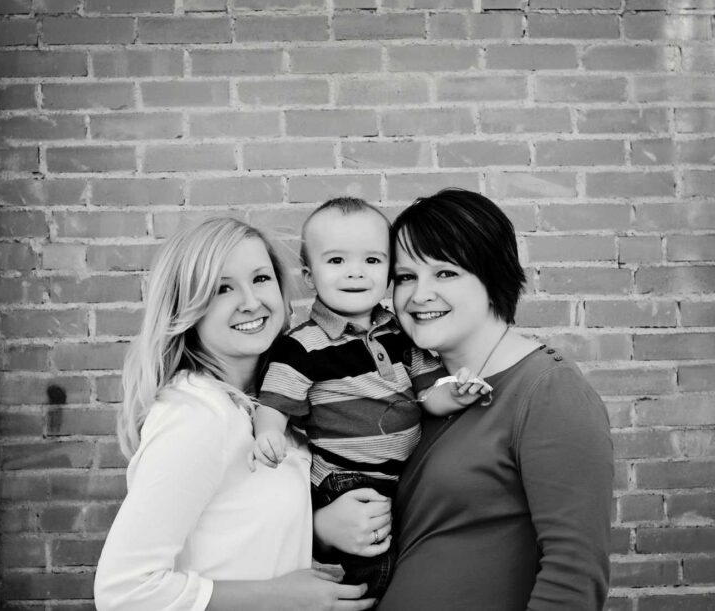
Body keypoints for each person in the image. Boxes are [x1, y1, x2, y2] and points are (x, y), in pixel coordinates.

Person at [93, 217, 381, 611]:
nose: (250, 301)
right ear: (186, 306)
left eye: (261, 279)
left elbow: (241, 525)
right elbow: (125, 591)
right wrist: (285, 598)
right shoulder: (195, 415)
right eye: (222, 288)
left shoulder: (271, 404)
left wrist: (321, 528)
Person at [377, 188, 614, 611]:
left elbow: (574, 573)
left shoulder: (547, 391)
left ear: (491, 278)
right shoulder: (415, 391)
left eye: (445, 273)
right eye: (406, 276)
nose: (418, 295)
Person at [251, 198, 489, 598]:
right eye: (337, 261)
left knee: (402, 561)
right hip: (344, 479)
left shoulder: (399, 333)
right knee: (369, 570)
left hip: (397, 480)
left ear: (390, 273)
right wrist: (268, 433)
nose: (356, 272)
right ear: (310, 275)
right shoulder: (303, 346)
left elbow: (430, 395)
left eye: (373, 261)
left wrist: (458, 394)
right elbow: (274, 403)